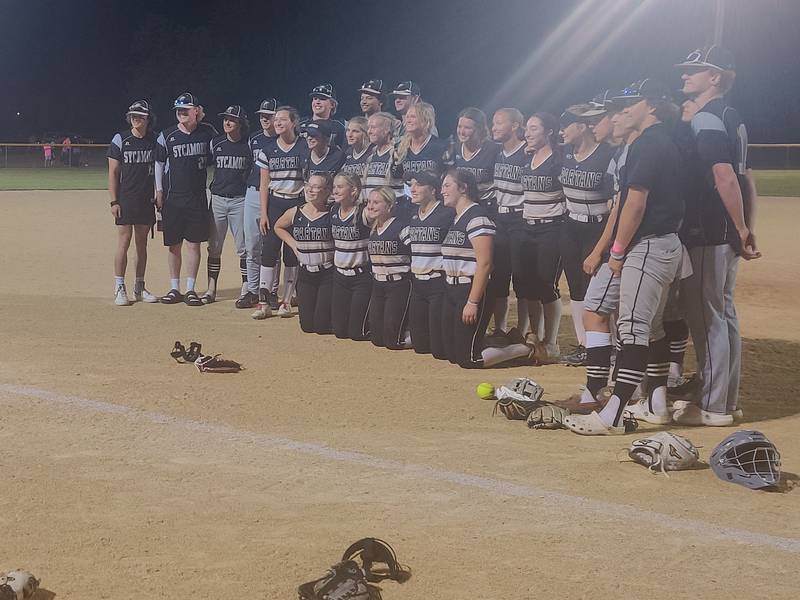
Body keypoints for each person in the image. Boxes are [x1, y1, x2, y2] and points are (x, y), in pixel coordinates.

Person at [564, 80, 685, 435]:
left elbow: (636, 203)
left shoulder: (651, 143)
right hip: (647, 245)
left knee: (633, 329)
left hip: (648, 245)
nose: (618, 113)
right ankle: (654, 401)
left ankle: (612, 415)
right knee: (625, 318)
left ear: (651, 105)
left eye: (626, 106)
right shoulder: (647, 142)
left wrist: (614, 253)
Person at [672, 46, 760, 426]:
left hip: (707, 230)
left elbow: (724, 176)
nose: (684, 76)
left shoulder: (708, 117)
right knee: (724, 315)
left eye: (694, 70)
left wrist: (739, 227)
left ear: (716, 77)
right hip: (724, 231)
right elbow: (747, 179)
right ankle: (727, 399)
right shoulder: (731, 114)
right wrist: (744, 227)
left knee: (707, 319)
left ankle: (714, 406)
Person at [440, 168, 533, 368]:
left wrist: (472, 302)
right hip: (453, 290)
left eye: (447, 186)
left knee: (469, 360)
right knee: (450, 354)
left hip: (472, 289)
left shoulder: (477, 218)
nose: (442, 191)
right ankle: (500, 341)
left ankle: (525, 349)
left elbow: (485, 263)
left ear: (463, 188)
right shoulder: (456, 219)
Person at [557, 105, 616, 365]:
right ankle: (585, 346)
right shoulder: (563, 155)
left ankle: (609, 346)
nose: (561, 132)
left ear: (581, 127)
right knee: (576, 289)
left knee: (599, 289)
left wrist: (599, 248)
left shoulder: (607, 155)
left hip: (598, 228)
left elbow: (615, 203)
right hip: (571, 227)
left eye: (566, 126)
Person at [154, 92, 218, 306]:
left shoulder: (207, 132)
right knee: (174, 245)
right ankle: (175, 288)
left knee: (194, 244)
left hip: (197, 197)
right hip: (173, 198)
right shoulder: (167, 135)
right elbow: (159, 164)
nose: (181, 113)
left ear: (196, 111)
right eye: (179, 110)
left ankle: (190, 289)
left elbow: (216, 157)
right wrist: (159, 191)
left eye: (186, 109)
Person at [517, 112, 566, 363]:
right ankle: (535, 335)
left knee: (547, 284)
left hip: (552, 228)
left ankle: (552, 342)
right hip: (528, 227)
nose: (527, 133)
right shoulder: (528, 157)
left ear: (548, 132)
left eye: (534, 128)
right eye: (527, 128)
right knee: (530, 285)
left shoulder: (559, 159)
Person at [252, 106, 308, 319]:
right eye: (276, 120)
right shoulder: (267, 149)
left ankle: (286, 301)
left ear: (294, 122)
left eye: (283, 119)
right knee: (269, 251)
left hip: (297, 204)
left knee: (292, 254)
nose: (278, 123)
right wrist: (264, 213)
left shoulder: (304, 146)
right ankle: (264, 302)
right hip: (276, 203)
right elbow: (264, 183)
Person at [107, 100, 158, 306]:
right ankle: (119, 287)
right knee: (124, 242)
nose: (136, 118)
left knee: (142, 244)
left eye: (140, 115)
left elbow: (161, 171)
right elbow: (113, 172)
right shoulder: (121, 139)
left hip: (146, 200)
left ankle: (139, 286)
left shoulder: (155, 140)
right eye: (133, 115)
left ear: (147, 118)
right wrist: (114, 200)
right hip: (126, 199)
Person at [399, 171, 454, 359]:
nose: (412, 189)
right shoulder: (414, 214)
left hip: (438, 283)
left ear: (432, 190)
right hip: (418, 285)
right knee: (420, 346)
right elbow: (402, 234)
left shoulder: (446, 213)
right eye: (411, 184)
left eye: (418, 185)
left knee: (440, 350)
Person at [488, 108, 530, 342]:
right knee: (500, 276)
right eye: (493, 123)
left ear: (515, 126)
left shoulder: (527, 152)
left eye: (499, 123)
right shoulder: (497, 152)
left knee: (521, 277)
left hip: (521, 219)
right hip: (500, 218)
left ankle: (522, 331)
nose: (494, 127)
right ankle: (500, 328)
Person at [202, 105, 252, 304]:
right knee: (214, 247)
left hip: (240, 200)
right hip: (218, 200)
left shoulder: (248, 144)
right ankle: (211, 289)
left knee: (243, 248)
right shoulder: (216, 143)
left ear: (240, 123)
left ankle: (246, 288)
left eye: (231, 120)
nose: (227, 122)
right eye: (225, 119)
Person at [273, 174, 335, 329]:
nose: (310, 189)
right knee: (307, 326)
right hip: (306, 274)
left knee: (321, 326)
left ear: (327, 191)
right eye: (308, 185)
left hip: (327, 274)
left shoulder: (332, 213)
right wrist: (293, 244)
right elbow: (278, 227)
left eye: (316, 187)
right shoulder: (296, 212)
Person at [239, 98, 279, 309]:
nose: (264, 118)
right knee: (252, 245)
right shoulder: (253, 139)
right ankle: (253, 290)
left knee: (272, 246)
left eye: (269, 115)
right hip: (253, 194)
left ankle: (271, 291)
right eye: (262, 115)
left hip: (275, 195)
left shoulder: (283, 140)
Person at [366, 186, 412, 349]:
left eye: (376, 202)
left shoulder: (401, 227)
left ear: (389, 205)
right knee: (377, 339)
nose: (370, 206)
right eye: (369, 202)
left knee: (392, 342)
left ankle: (421, 334)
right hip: (378, 285)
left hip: (398, 284)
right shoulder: (374, 229)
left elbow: (415, 253)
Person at [330, 173, 372, 340]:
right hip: (340, 277)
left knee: (357, 333)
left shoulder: (362, 213)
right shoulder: (333, 210)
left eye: (340, 187)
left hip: (361, 277)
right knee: (339, 331)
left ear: (354, 190)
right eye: (334, 187)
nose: (335, 190)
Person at [393, 102, 450, 217]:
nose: (408, 120)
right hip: (408, 204)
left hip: (434, 204)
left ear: (425, 120)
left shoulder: (441, 146)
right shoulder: (400, 147)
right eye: (407, 117)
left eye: (413, 117)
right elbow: (397, 176)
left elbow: (447, 176)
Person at [454, 107, 499, 208]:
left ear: (479, 129)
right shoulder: (454, 149)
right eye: (459, 126)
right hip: (462, 205)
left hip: (486, 205)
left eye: (467, 128)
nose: (461, 132)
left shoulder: (493, 150)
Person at [363, 112, 403, 199]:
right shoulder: (370, 156)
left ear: (386, 130)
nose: (369, 131)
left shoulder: (397, 154)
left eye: (373, 127)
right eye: (368, 128)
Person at [301, 83, 346, 149]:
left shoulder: (338, 127)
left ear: (332, 104)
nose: (317, 102)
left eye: (322, 99)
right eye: (315, 98)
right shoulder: (300, 124)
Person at [339, 117, 371, 200]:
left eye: (355, 131)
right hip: (351, 200)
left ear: (366, 133)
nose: (349, 135)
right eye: (348, 130)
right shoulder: (347, 153)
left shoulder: (373, 151)